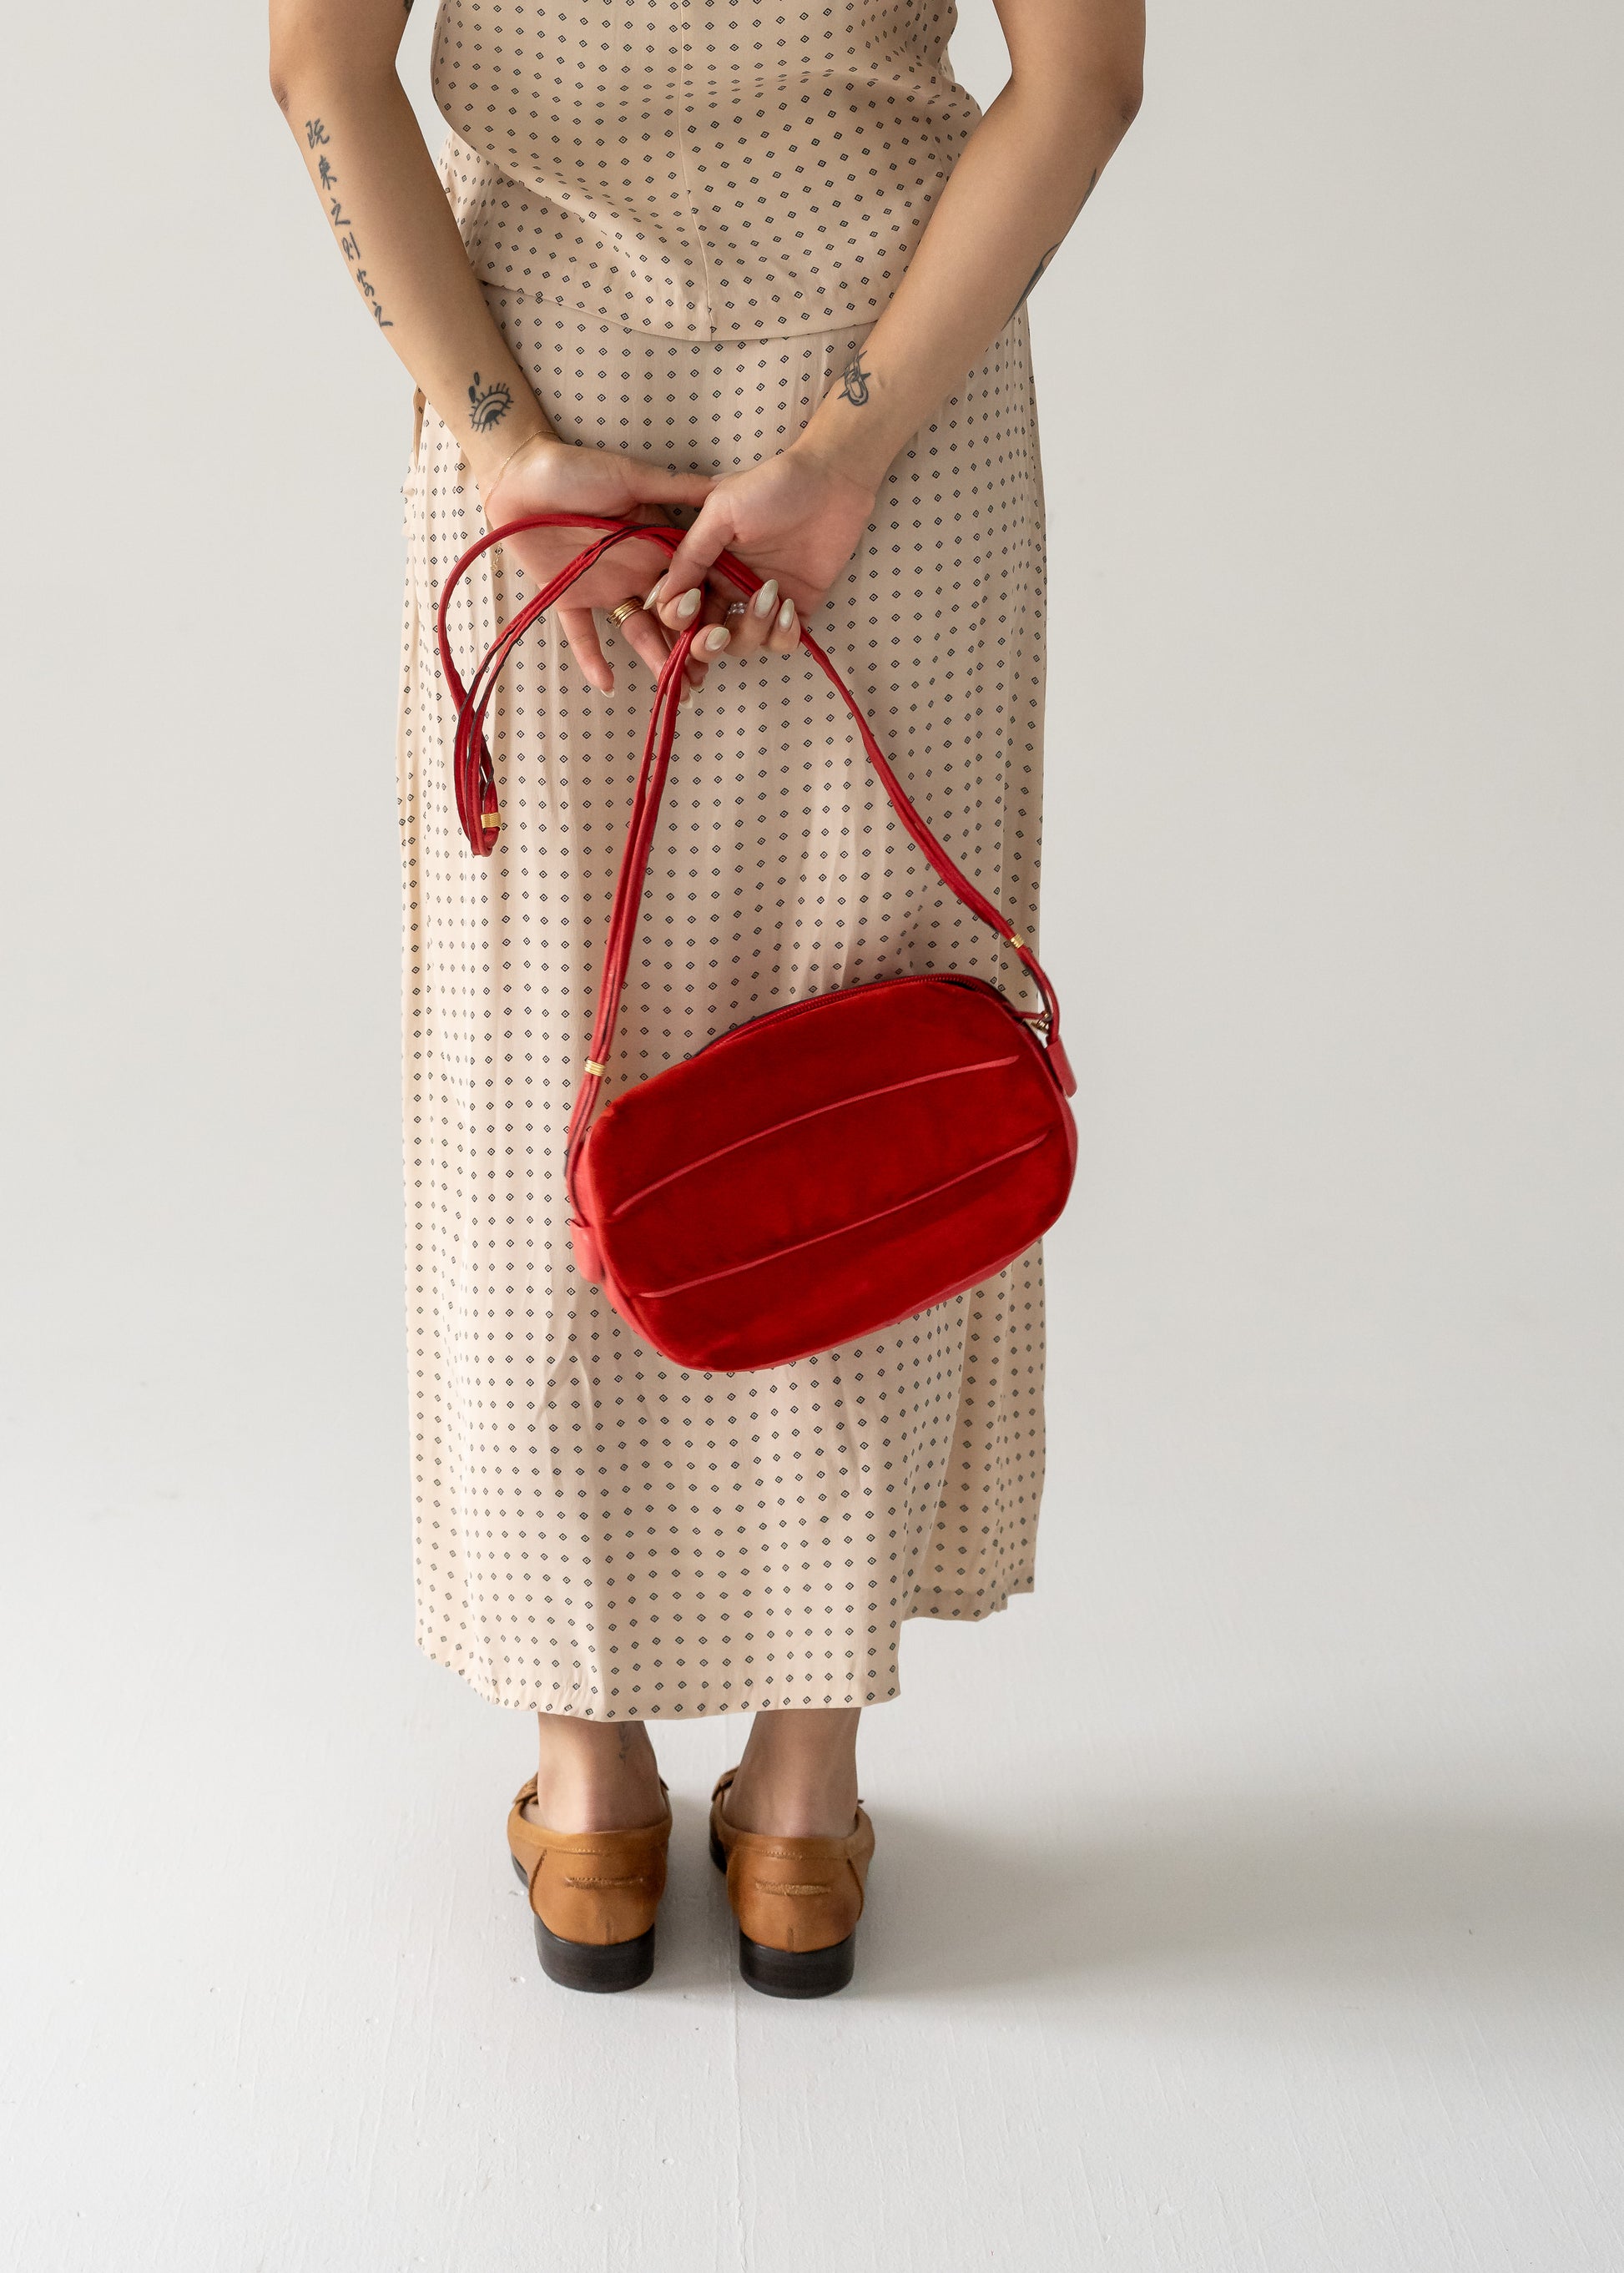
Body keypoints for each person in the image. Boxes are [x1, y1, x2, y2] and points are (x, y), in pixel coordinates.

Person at [269, 0, 1143, 1997]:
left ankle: (588, 1805)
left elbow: (321, 63)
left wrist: (511, 449)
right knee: (859, 1086)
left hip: (537, 418)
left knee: (535, 1084)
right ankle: (806, 1813)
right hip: (890, 421)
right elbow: (1083, 79)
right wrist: (836, 455)